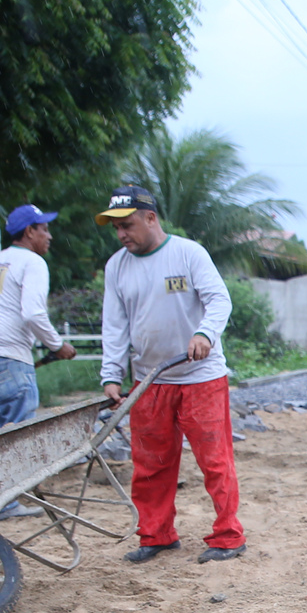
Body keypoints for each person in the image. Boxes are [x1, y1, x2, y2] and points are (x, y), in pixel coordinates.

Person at [95, 184, 244, 565]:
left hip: (201, 377)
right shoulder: (117, 267)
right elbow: (114, 326)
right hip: (150, 380)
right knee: (151, 465)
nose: (121, 234)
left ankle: (228, 536)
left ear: (151, 218)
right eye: (116, 228)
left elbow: (219, 300)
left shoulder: (188, 253)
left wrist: (204, 334)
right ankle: (157, 535)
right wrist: (111, 375)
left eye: (127, 225)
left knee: (214, 460)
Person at [0, 203, 77, 433]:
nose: (50, 236)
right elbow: (33, 314)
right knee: (20, 435)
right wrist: (57, 345)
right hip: (9, 356)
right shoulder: (33, 262)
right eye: (44, 229)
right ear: (29, 232)